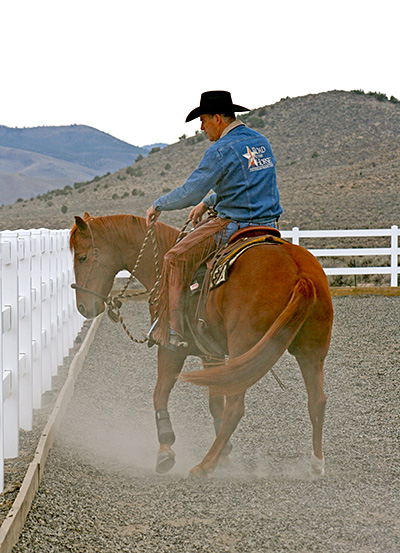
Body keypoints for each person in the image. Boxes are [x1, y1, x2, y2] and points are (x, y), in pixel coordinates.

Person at [146, 90, 282, 349]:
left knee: (173, 258)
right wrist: (207, 203)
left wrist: (158, 205)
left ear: (218, 118)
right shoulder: (261, 142)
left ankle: (173, 332)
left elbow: (190, 191)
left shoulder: (220, 150)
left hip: (233, 226)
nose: (201, 127)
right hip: (269, 226)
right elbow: (246, 183)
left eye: (204, 120)